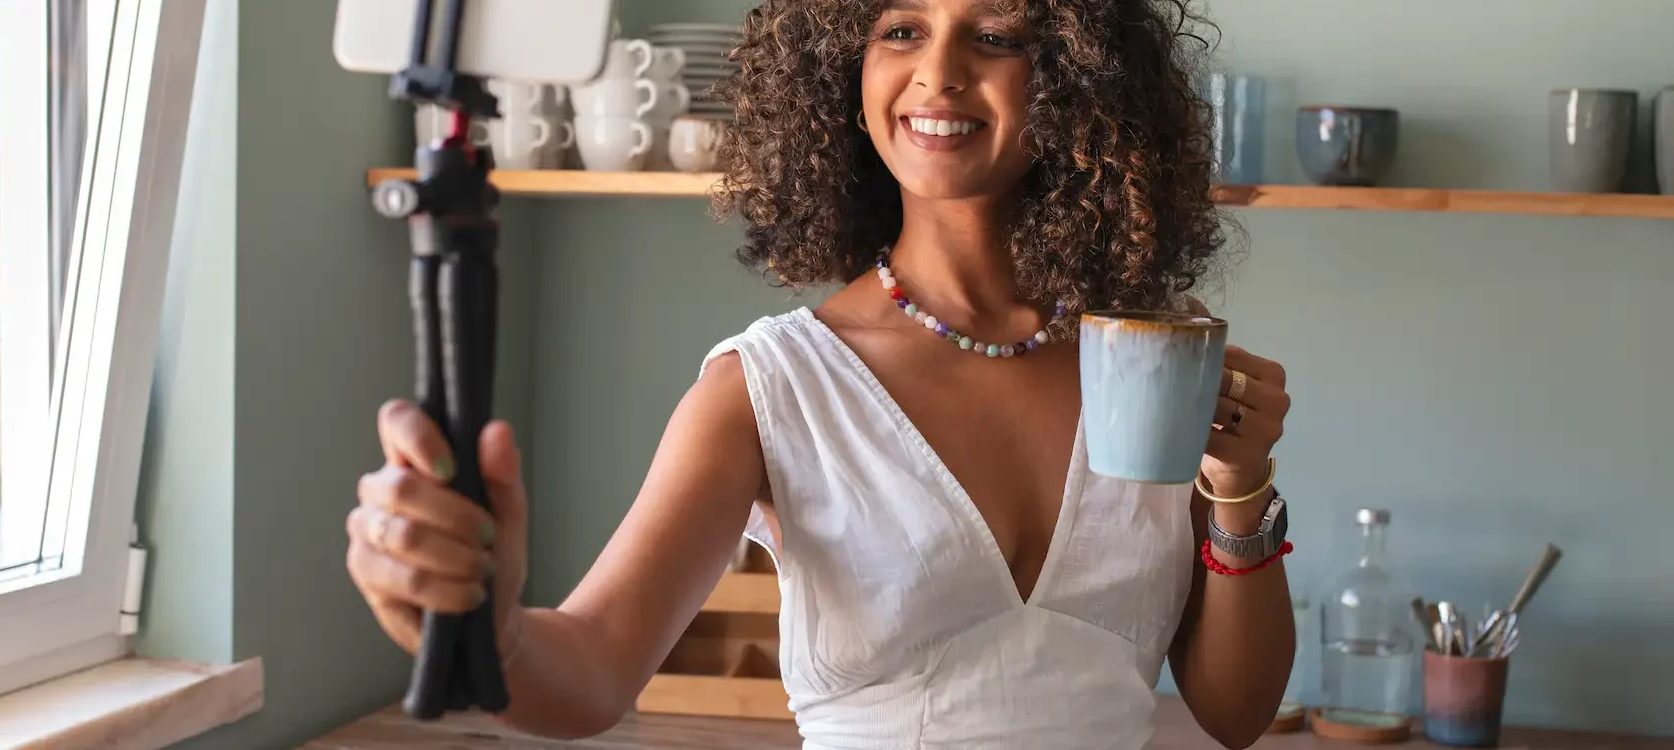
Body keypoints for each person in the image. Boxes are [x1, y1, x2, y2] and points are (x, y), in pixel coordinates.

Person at [346, 0, 1297, 746]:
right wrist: (489, 630)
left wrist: (1242, 486)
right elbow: (592, 671)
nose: (939, 71)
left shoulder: (1156, 355)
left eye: (997, 34)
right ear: (845, 72)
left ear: (1077, 77)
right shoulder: (770, 388)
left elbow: (1236, 713)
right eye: (901, 29)